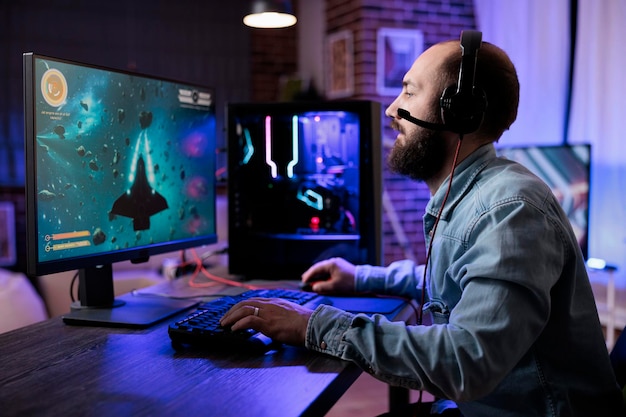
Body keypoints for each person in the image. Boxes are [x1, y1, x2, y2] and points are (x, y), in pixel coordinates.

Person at [220, 33, 625, 416]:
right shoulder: (477, 194)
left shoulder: (509, 211)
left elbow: (468, 360)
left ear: (459, 112)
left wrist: (313, 324)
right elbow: (460, 284)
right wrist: (360, 277)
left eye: (410, 91)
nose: (393, 109)